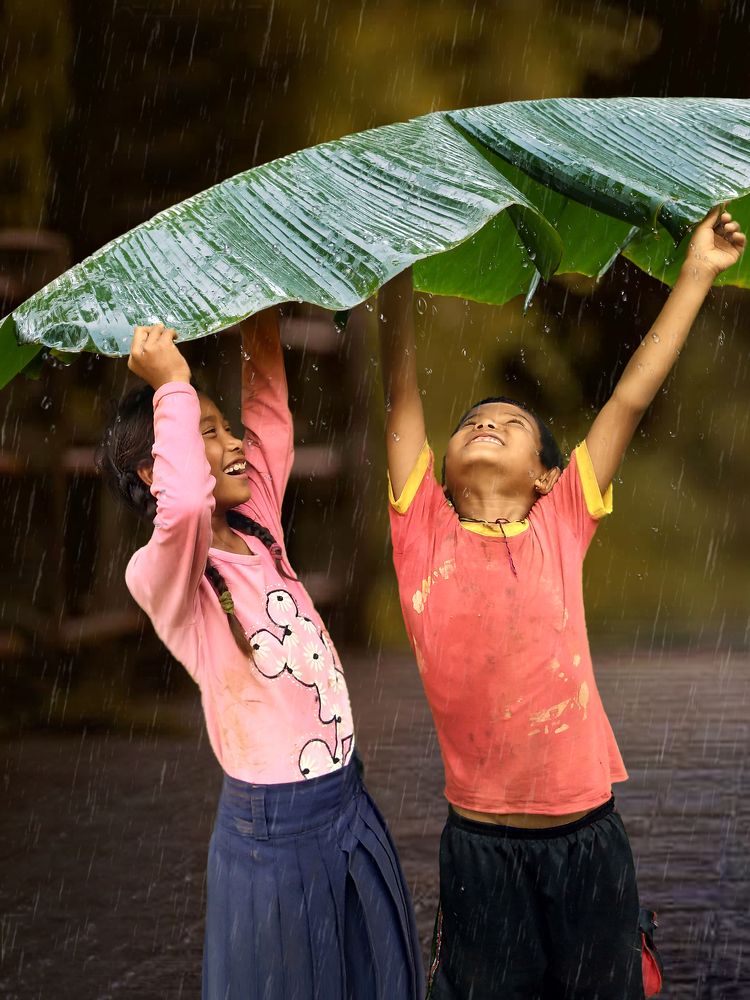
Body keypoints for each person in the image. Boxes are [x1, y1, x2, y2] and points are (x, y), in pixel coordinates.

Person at [377, 207, 745, 1000]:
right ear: (440, 472)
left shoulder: (562, 520)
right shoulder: (422, 532)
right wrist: (397, 278)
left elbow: (629, 400)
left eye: (510, 424)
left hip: (586, 840)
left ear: (546, 475)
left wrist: (697, 274)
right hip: (478, 848)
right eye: (475, 420)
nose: (486, 422)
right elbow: (399, 390)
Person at [98, 312, 423, 1000]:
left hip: (345, 797)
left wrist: (261, 319)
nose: (235, 441)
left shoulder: (254, 521)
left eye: (224, 426)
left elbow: (270, 416)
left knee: (365, 977)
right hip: (275, 831)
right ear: (156, 469)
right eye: (207, 434)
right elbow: (185, 507)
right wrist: (173, 384)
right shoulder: (163, 575)